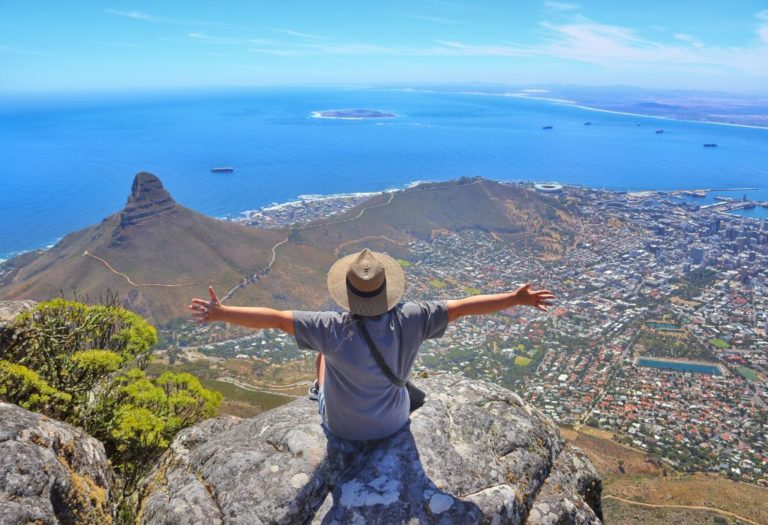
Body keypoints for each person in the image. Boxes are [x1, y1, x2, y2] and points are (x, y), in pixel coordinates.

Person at [189, 248, 554, 442]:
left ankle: (317, 391)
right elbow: (464, 307)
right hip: (393, 424)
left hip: (341, 428)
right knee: (402, 383)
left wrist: (221, 313)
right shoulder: (414, 318)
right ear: (387, 289)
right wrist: (515, 298)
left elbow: (275, 317)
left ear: (348, 294)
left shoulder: (329, 327)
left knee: (322, 353)